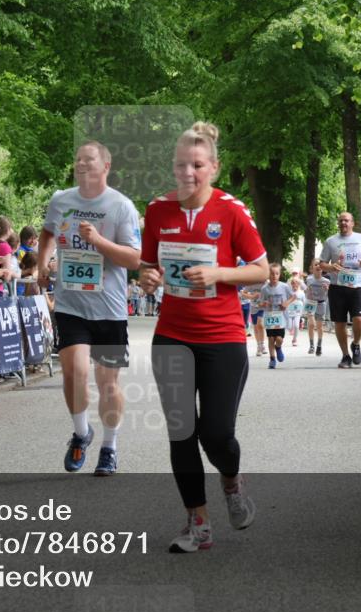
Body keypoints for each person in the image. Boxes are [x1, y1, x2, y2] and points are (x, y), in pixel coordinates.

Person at [138, 122, 269, 552]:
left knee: (216, 435)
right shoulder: (157, 211)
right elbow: (147, 265)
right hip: (173, 335)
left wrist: (219, 273)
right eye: (181, 165)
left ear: (213, 166)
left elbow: (263, 271)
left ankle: (231, 481)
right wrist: (149, 278)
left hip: (222, 336)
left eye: (197, 165)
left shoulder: (232, 210)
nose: (188, 172)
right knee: (181, 433)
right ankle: (198, 524)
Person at [37, 141, 141, 477]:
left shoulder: (120, 207)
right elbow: (47, 232)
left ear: (106, 166)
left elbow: (134, 258)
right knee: (75, 371)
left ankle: (110, 447)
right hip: (71, 303)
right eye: (78, 159)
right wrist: (42, 263)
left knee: (107, 382)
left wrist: (97, 241)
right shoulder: (61, 199)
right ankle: (81, 434)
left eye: (89, 160)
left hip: (109, 309)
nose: (82, 164)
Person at [320, 211, 361, 369]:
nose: (343, 223)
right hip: (338, 286)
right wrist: (330, 267)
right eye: (341, 221)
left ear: (353, 223)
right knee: (340, 322)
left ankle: (356, 344)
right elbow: (322, 263)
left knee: (359, 319)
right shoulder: (331, 241)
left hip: (357, 284)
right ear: (338, 223)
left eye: (346, 220)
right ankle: (345, 356)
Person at [258, 264, 295, 368]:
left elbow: (293, 296)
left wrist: (286, 303)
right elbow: (260, 303)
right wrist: (263, 304)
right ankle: (272, 359)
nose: (274, 276)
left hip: (281, 317)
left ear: (279, 275)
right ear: (268, 275)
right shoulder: (264, 289)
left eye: (276, 273)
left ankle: (278, 347)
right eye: (272, 273)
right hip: (270, 316)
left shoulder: (284, 286)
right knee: (270, 338)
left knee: (279, 339)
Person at [304, 259, 330, 356]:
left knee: (319, 326)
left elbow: (328, 294)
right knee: (311, 324)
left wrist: (327, 289)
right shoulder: (309, 279)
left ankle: (319, 345)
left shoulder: (327, 281)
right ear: (312, 268)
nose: (318, 266)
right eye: (316, 265)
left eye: (320, 265)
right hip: (311, 303)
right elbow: (306, 290)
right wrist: (307, 291)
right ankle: (311, 345)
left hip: (321, 303)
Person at [286, 276, 305, 346]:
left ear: (299, 284)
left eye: (296, 283)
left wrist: (304, 312)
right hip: (289, 312)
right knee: (289, 327)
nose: (295, 284)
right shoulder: (289, 292)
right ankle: (292, 330)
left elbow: (304, 302)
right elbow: (285, 301)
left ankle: (294, 339)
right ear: (291, 284)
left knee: (296, 326)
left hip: (298, 312)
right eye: (293, 283)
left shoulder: (301, 293)